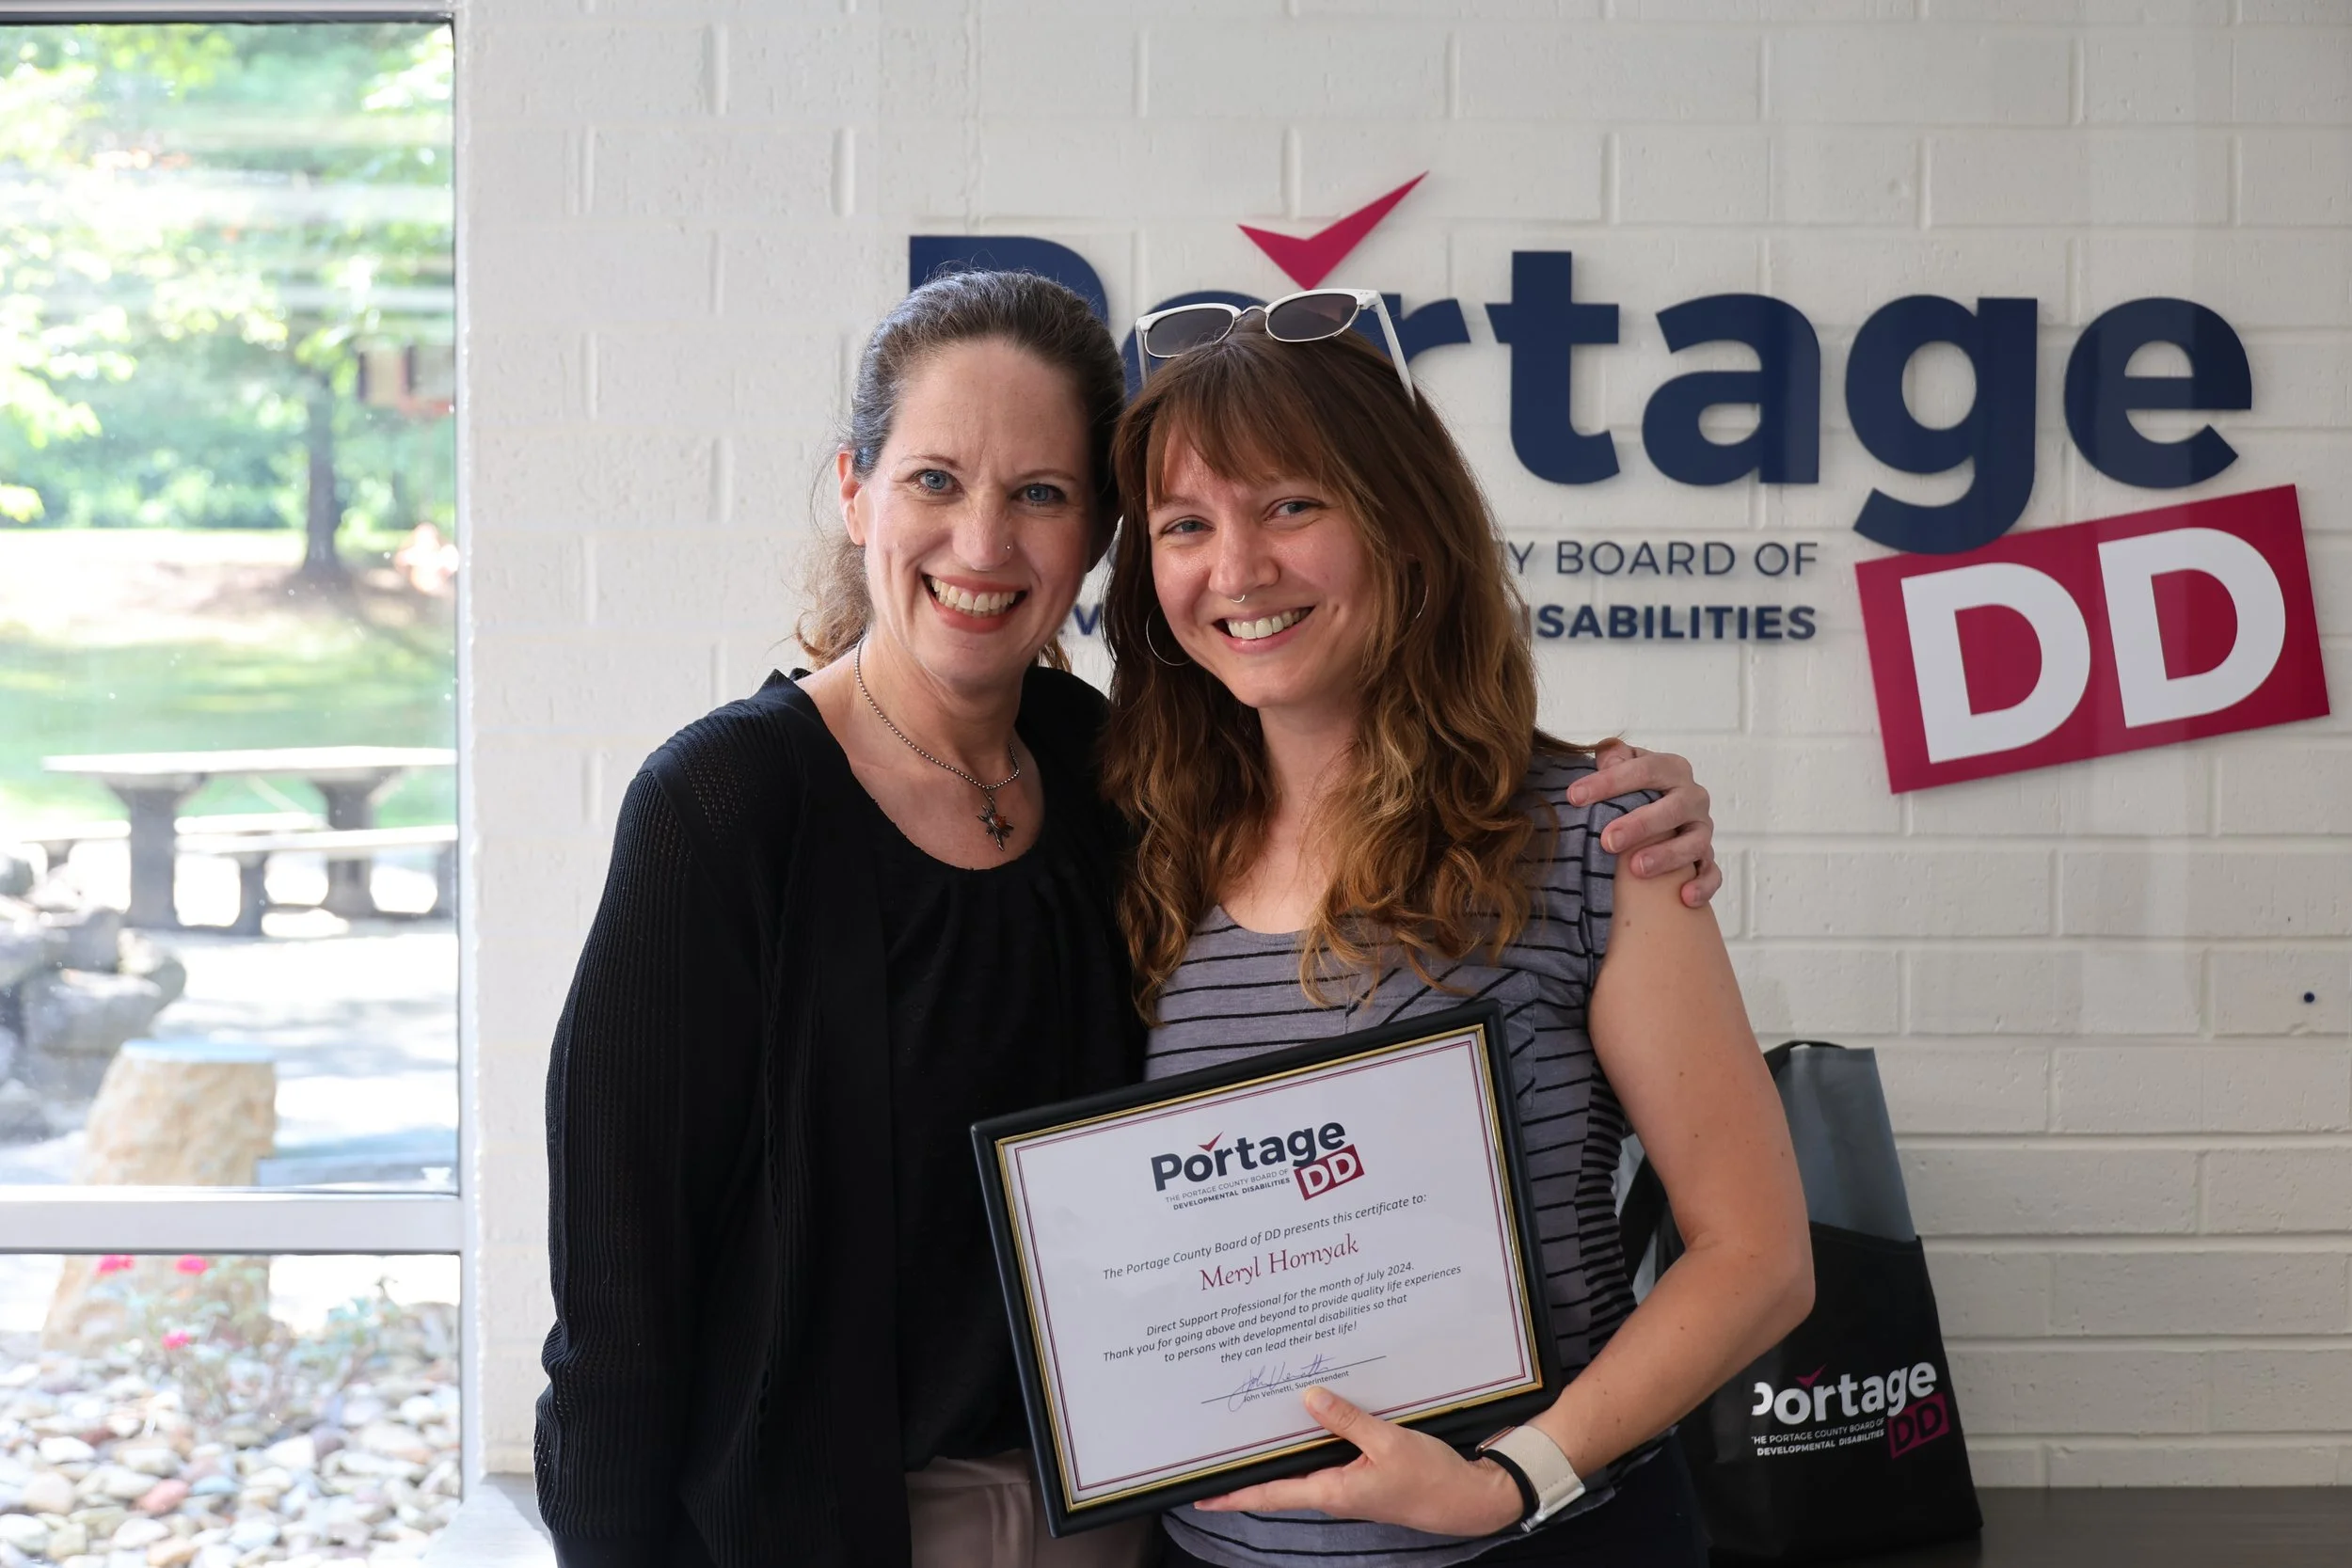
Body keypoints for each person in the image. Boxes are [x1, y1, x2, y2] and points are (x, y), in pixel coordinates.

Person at [534, 271, 1725, 1568]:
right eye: (934, 480)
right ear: (855, 490)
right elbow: (618, 1295)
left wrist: (1627, 807)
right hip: (831, 1528)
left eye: (1040, 493)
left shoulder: (1126, 788)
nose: (983, 544)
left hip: (1136, 1530)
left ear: (1099, 538)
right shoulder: (725, 804)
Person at [1099, 308, 1815, 1568]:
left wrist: (1509, 1479)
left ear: (1406, 526)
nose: (1239, 569)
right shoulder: (1143, 852)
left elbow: (1757, 1258)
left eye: (1291, 506)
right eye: (1185, 525)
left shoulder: (1595, 835)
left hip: (1541, 1543)